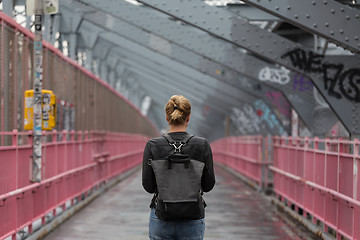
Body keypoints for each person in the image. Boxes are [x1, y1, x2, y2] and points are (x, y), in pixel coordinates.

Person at [142, 95, 216, 240]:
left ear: (167, 117)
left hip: (161, 215)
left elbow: (148, 186)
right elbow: (208, 186)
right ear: (188, 118)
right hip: (192, 216)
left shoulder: (153, 146)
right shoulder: (202, 145)